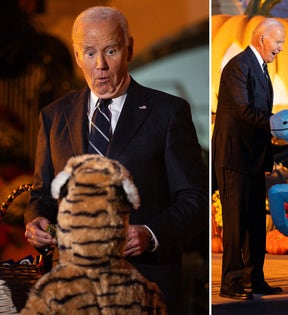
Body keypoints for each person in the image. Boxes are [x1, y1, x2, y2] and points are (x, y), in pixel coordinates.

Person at [23, 6, 208, 314]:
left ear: (129, 49)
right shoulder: (54, 116)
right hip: (73, 294)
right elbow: (42, 195)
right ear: (77, 55)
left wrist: (151, 234)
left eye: (111, 50)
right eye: (90, 53)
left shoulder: (168, 112)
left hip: (146, 286)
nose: (101, 65)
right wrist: (36, 221)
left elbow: (196, 199)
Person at [212, 18, 285, 301]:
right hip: (234, 157)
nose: (280, 48)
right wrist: (279, 123)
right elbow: (244, 111)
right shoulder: (238, 66)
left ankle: (254, 278)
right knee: (235, 223)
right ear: (261, 38)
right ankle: (230, 283)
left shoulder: (262, 68)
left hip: (253, 157)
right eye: (277, 42)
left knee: (255, 221)